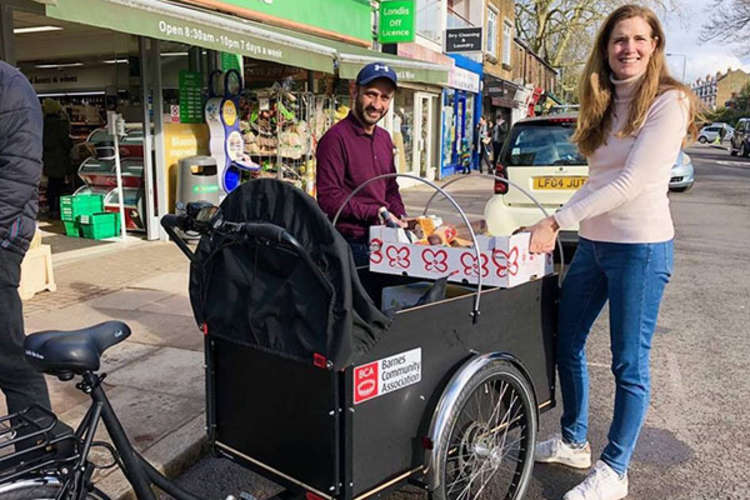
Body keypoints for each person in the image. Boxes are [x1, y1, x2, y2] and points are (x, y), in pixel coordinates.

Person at [527, 5, 697, 500]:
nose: (629, 48)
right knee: (567, 339)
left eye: (639, 39)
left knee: (628, 363)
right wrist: (547, 216)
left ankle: (615, 469)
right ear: (606, 47)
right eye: (619, 39)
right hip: (596, 245)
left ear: (655, 45)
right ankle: (575, 440)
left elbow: (634, 181)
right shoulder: (601, 101)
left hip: (640, 249)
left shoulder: (670, 102)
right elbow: (596, 180)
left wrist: (558, 220)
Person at [0, 61, 52, 417]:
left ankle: (45, 455)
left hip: (2, 240)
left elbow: (18, 178)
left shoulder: (10, 87)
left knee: (9, 359)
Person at [316, 62, 406, 266]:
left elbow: (390, 188)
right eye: (371, 94)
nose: (377, 104)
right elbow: (329, 199)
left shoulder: (384, 138)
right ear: (354, 91)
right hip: (350, 245)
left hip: (384, 241)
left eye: (385, 97)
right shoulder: (335, 139)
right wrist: (375, 211)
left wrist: (401, 216)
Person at [42, 98, 74, 219]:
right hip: (60, 159)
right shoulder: (61, 124)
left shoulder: (42, 124)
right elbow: (66, 142)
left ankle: (51, 208)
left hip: (48, 159)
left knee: (52, 184)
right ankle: (61, 209)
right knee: (60, 185)